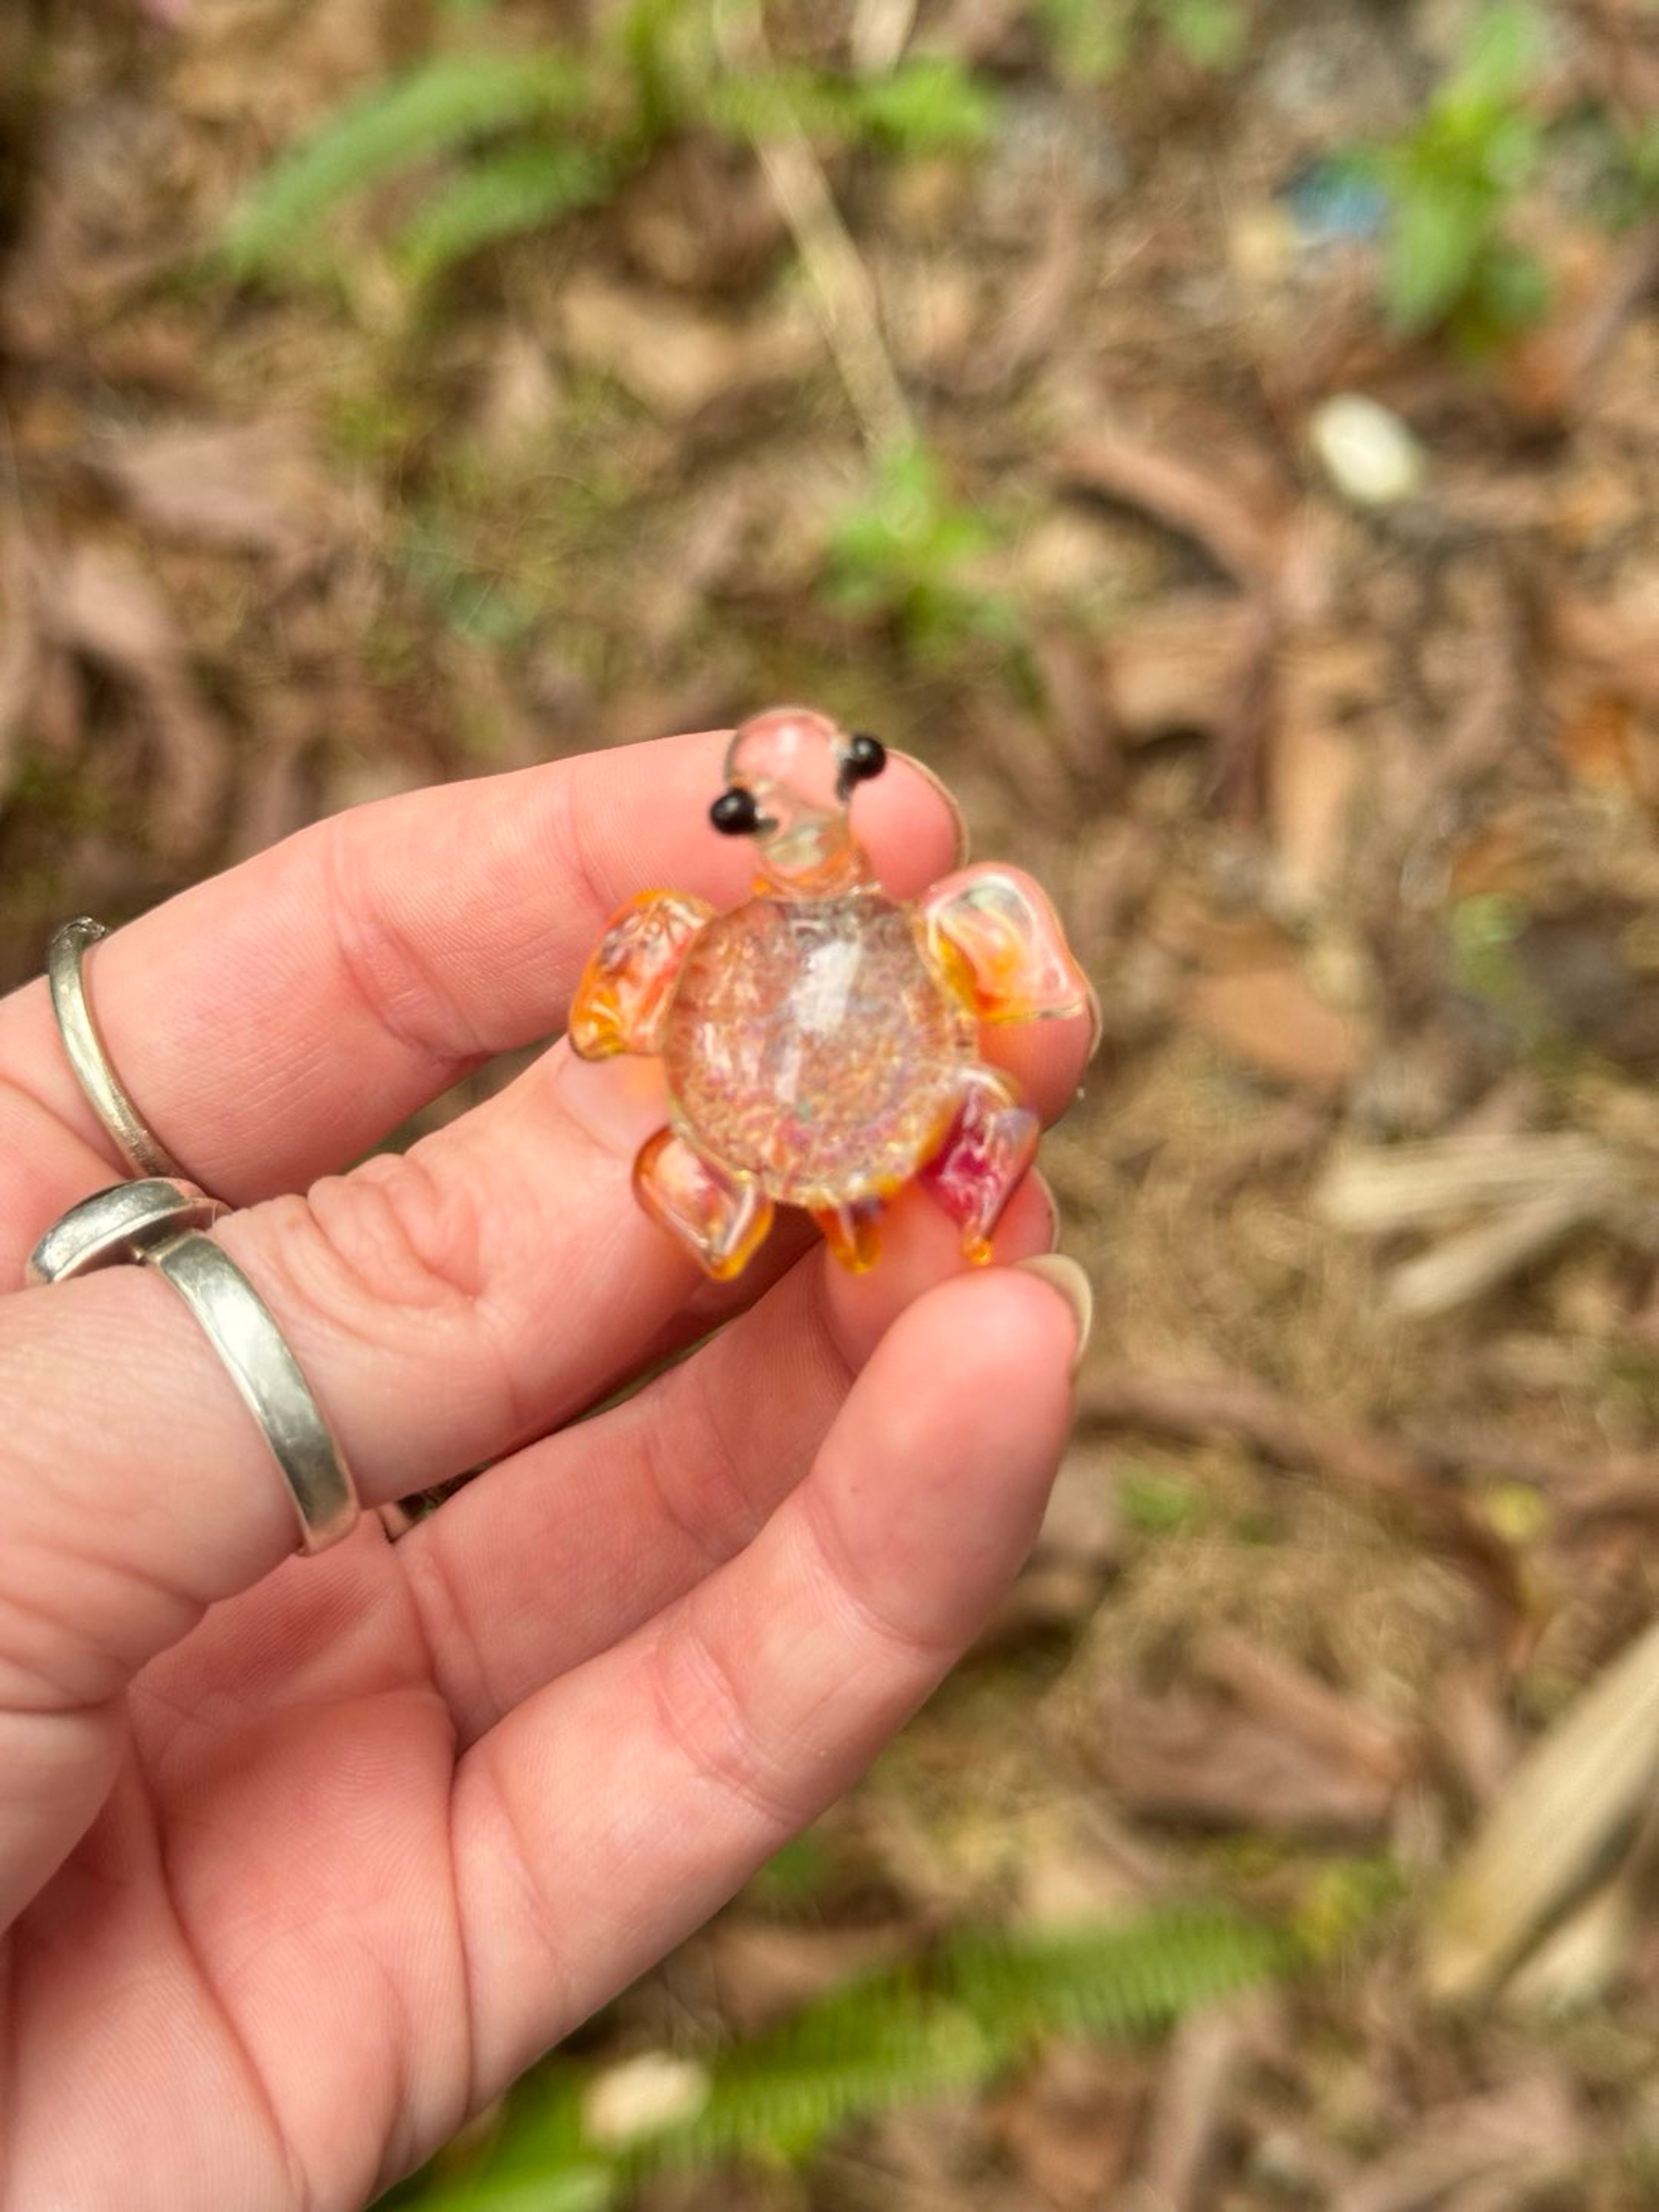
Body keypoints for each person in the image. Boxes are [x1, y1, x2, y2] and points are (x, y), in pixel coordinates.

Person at [0, 728, 1093, 2210]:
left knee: (938, 1221)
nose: (797, 826)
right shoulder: (681, 953)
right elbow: (612, 1021)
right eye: (755, 811)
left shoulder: (932, 949)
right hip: (746, 1132)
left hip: (854, 1126)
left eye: (827, 784)